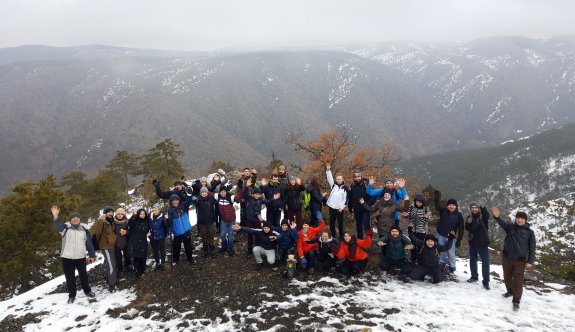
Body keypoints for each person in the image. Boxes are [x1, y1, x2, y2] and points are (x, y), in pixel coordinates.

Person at [492, 207, 536, 311]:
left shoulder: (530, 232)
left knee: (518, 281)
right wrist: (497, 217)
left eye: (522, 218)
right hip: (507, 257)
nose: (519, 220)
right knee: (507, 277)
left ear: (525, 220)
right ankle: (510, 291)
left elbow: (532, 247)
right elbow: (501, 223)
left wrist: (530, 261)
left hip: (520, 261)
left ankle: (516, 301)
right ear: (515, 219)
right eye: (518, 218)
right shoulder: (510, 227)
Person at [50, 205, 96, 303]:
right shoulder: (65, 229)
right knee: (70, 278)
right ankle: (72, 295)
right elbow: (57, 225)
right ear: (71, 220)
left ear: (79, 219)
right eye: (73, 218)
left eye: (77, 217)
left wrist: (92, 255)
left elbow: (89, 244)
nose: (75, 219)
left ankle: (87, 291)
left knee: (84, 276)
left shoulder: (84, 230)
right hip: (67, 258)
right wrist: (55, 216)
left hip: (80, 257)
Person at [434, 192, 465, 273]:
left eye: (453, 205)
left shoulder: (459, 215)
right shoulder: (443, 211)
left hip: (451, 237)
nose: (451, 206)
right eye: (450, 205)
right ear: (447, 206)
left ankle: (452, 266)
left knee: (451, 252)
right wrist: (437, 198)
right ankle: (442, 263)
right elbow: (437, 205)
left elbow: (461, 228)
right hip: (441, 234)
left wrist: (459, 240)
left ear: (456, 206)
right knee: (442, 250)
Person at [243, 178, 275, 255]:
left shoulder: (260, 199)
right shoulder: (249, 198)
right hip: (250, 219)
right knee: (250, 234)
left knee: (258, 234)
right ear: (253, 194)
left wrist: (273, 198)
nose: (257, 195)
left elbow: (267, 201)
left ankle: (257, 247)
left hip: (257, 220)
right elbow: (246, 193)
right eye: (256, 194)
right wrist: (246, 186)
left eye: (258, 194)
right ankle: (249, 249)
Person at [164, 193, 196, 265]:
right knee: (176, 247)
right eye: (174, 200)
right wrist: (169, 229)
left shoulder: (183, 206)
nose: (176, 202)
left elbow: (188, 201)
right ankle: (176, 258)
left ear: (179, 200)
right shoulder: (169, 211)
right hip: (177, 232)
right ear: (171, 201)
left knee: (188, 246)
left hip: (186, 230)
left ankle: (190, 258)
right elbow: (168, 223)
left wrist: (189, 194)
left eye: (177, 200)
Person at [466, 200, 491, 290]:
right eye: (472, 208)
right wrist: (468, 222)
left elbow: (487, 215)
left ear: (478, 208)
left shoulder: (482, 216)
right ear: (471, 209)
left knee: (485, 262)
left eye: (476, 207)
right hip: (472, 242)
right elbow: (467, 228)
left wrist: (483, 207)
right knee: (473, 260)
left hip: (482, 243)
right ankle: (474, 277)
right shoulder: (469, 217)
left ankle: (486, 281)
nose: (474, 209)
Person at [93, 206, 118, 292]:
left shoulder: (112, 221)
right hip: (106, 247)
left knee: (111, 263)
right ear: (105, 213)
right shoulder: (102, 222)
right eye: (109, 212)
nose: (111, 213)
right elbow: (97, 232)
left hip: (112, 246)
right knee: (111, 265)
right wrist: (100, 220)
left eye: (112, 212)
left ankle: (110, 279)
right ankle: (112, 285)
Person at [213, 185, 241, 256]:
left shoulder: (230, 197)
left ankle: (230, 249)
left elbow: (237, 198)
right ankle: (224, 247)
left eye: (224, 191)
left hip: (232, 219)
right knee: (222, 235)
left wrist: (242, 190)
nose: (223, 193)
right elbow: (210, 194)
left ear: (226, 191)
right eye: (221, 192)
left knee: (230, 235)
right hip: (223, 219)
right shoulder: (217, 197)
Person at [405, 194, 431, 264]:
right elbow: (408, 214)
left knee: (420, 246)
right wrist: (407, 217)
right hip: (412, 230)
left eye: (420, 202)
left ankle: (420, 259)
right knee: (413, 245)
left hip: (421, 231)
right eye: (417, 202)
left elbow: (428, 220)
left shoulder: (426, 209)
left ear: (423, 202)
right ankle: (413, 258)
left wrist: (427, 217)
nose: (418, 203)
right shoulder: (412, 206)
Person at [325, 163, 348, 239]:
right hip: (332, 207)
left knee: (340, 222)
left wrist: (341, 208)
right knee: (332, 222)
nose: (338, 180)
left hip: (339, 208)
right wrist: (328, 170)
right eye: (337, 179)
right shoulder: (333, 185)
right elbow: (330, 178)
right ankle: (333, 235)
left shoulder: (345, 188)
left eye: (340, 179)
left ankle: (341, 236)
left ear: (342, 179)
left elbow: (345, 199)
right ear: (336, 179)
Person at [127, 208, 151, 278]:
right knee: (137, 257)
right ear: (138, 214)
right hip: (135, 242)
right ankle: (137, 272)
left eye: (143, 214)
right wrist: (133, 216)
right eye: (140, 214)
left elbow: (148, 230)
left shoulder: (146, 221)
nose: (142, 215)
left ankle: (143, 270)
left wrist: (148, 234)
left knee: (143, 256)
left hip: (143, 241)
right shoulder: (135, 221)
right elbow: (130, 223)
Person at [196, 187, 217, 258]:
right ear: (200, 193)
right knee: (204, 237)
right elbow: (189, 201)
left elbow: (218, 198)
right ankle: (205, 250)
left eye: (205, 192)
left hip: (211, 222)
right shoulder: (198, 201)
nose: (204, 193)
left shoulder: (211, 199)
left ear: (207, 193)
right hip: (202, 223)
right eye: (202, 192)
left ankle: (212, 250)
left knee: (211, 237)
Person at [348, 172, 371, 239]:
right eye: (355, 177)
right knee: (358, 225)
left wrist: (369, 204)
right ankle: (360, 240)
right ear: (353, 178)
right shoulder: (352, 185)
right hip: (356, 209)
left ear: (361, 177)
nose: (357, 178)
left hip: (365, 208)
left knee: (366, 225)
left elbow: (372, 195)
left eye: (358, 176)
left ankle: (368, 240)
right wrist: (350, 207)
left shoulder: (366, 184)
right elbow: (351, 197)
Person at [112, 207, 131, 275]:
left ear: (124, 215)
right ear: (116, 215)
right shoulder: (113, 222)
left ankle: (128, 267)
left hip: (126, 242)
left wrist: (126, 232)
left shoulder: (127, 221)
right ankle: (119, 269)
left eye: (121, 214)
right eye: (118, 214)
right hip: (117, 243)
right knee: (118, 257)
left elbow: (132, 230)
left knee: (127, 256)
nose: (120, 215)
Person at [148, 206, 168, 270]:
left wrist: (167, 220)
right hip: (152, 237)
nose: (154, 211)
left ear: (159, 210)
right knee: (155, 251)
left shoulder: (163, 217)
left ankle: (162, 263)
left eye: (156, 210)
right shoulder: (149, 217)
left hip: (161, 236)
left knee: (162, 250)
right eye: (153, 210)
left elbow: (166, 226)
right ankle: (157, 263)